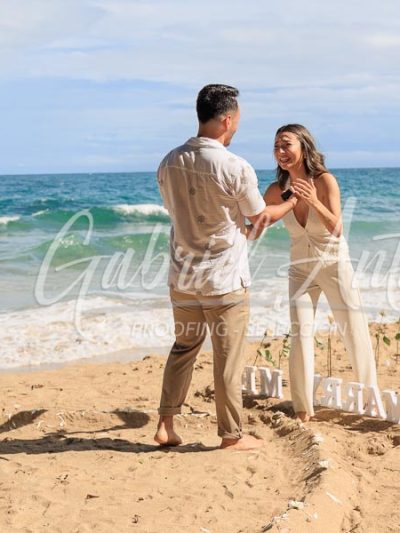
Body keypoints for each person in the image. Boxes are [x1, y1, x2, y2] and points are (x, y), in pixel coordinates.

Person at [154, 85, 298, 450]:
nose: (235, 129)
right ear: (227, 119)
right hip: (223, 281)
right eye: (236, 123)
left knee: (183, 348)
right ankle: (231, 436)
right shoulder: (234, 166)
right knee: (228, 359)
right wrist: (292, 200)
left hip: (183, 277)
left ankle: (165, 424)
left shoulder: (168, 161)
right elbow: (259, 218)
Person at [262, 124, 384, 423]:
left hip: (333, 264)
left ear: (303, 147)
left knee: (353, 329)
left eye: (286, 144)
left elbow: (337, 227)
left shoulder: (325, 180)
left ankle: (370, 399)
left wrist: (313, 200)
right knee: (300, 334)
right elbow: (258, 222)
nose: (280, 151)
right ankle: (303, 408)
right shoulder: (275, 191)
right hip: (299, 270)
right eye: (276, 146)